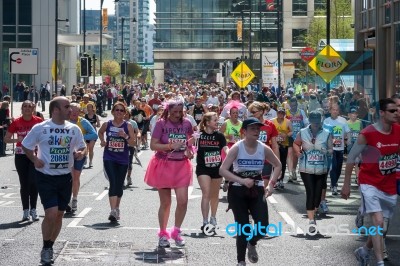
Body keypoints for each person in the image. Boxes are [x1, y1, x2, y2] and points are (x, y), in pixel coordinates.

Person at [21, 97, 86, 265]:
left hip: (65, 177)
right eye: (66, 107)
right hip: (45, 176)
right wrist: (34, 159)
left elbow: (83, 146)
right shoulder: (41, 128)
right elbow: (26, 145)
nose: (70, 110)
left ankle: (50, 245)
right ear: (55, 110)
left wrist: (81, 152)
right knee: (51, 212)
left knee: (59, 215)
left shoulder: (73, 129)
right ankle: (46, 247)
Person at [342, 98, 399, 266]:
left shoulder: (398, 131)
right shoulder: (367, 134)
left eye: (397, 110)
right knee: (379, 221)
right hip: (369, 183)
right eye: (392, 111)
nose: (396, 113)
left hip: (388, 185)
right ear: (382, 113)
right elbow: (351, 158)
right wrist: (346, 185)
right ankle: (380, 262)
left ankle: (364, 251)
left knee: (381, 228)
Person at [219, 118, 282, 266]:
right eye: (253, 129)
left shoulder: (264, 148)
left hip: (257, 189)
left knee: (263, 226)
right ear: (244, 131)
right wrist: (241, 181)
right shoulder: (237, 148)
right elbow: (222, 169)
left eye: (258, 129)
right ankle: (240, 261)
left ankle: (252, 243)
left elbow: (278, 165)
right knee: (243, 226)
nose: (256, 131)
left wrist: (271, 184)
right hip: (237, 191)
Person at [144, 99, 194, 248]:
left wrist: (189, 151)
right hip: (164, 165)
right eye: (174, 112)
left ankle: (176, 231)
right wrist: (170, 146)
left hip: (181, 166)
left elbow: (190, 144)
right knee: (166, 203)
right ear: (168, 111)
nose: (178, 115)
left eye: (180, 112)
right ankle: (163, 233)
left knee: (183, 201)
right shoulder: (161, 123)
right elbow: (153, 145)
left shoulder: (187, 124)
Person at [293, 111, 332, 233]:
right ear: (310, 121)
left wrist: (326, 151)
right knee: (310, 192)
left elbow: (331, 150)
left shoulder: (327, 133)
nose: (315, 124)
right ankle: (311, 220)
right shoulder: (303, 132)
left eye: (317, 121)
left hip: (321, 168)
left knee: (317, 194)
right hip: (306, 168)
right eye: (313, 121)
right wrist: (298, 152)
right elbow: (296, 143)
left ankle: (315, 210)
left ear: (320, 121)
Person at [4, 100, 43, 221]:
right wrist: (17, 140)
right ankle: (25, 210)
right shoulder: (16, 122)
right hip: (21, 155)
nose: (27, 109)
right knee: (24, 183)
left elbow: (45, 136)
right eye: (25, 106)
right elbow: (6, 139)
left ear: (33, 109)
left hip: (34, 155)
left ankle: (34, 209)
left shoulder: (38, 121)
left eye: (29, 107)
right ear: (22, 109)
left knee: (33, 181)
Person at [98, 102, 136, 221]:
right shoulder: (107, 124)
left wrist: (125, 136)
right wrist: (102, 141)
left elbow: (133, 143)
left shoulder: (128, 125)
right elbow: (100, 132)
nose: (119, 112)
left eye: (121, 110)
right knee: (113, 182)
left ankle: (117, 208)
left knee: (119, 185)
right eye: (117, 110)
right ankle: (113, 210)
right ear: (113, 112)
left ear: (125, 113)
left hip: (123, 159)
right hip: (109, 157)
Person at [194, 112, 229, 233]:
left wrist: (231, 155)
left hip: (216, 168)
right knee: (206, 194)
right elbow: (189, 144)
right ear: (208, 123)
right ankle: (205, 222)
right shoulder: (200, 135)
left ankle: (213, 218)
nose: (217, 123)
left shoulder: (219, 136)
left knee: (214, 195)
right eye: (215, 120)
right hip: (203, 168)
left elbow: (225, 148)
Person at [66, 103, 98, 213]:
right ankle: (67, 199)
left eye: (77, 111)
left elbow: (94, 135)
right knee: (68, 177)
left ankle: (74, 199)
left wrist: (81, 137)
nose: (74, 113)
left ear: (80, 112)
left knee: (75, 176)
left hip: (80, 153)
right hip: (66, 153)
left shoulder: (83, 122)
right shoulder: (64, 121)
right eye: (72, 110)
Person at [248, 102, 279, 188]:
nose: (253, 114)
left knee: (263, 187)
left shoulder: (270, 125)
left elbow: (275, 145)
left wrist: (277, 163)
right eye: (252, 112)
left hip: (266, 159)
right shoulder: (248, 124)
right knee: (251, 186)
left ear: (261, 111)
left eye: (254, 112)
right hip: (251, 159)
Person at [285, 97, 309, 182]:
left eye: (295, 105)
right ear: (290, 105)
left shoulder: (301, 112)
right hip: (290, 136)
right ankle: (291, 172)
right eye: (292, 105)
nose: (293, 107)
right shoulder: (286, 113)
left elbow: (306, 123)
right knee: (290, 154)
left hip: (299, 136)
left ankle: (294, 170)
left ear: (297, 105)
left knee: (296, 154)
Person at [272, 107, 293, 188]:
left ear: (284, 114)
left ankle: (281, 180)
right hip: (275, 144)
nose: (280, 114)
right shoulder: (272, 121)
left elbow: (291, 131)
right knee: (275, 162)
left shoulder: (287, 122)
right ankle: (275, 179)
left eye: (282, 113)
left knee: (283, 162)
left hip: (284, 144)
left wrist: (286, 135)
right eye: (279, 113)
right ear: (277, 113)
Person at [124, 106, 139, 186]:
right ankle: (122, 178)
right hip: (121, 146)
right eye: (124, 113)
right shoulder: (119, 122)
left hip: (130, 145)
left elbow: (137, 131)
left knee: (129, 163)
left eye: (127, 114)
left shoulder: (132, 123)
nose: (125, 115)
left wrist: (138, 135)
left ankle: (128, 177)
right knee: (122, 162)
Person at [84, 102, 101, 167]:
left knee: (91, 148)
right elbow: (83, 125)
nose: (88, 109)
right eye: (87, 107)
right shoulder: (85, 116)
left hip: (93, 134)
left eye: (90, 107)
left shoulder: (95, 116)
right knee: (86, 148)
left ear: (92, 108)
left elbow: (99, 125)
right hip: (86, 134)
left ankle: (90, 161)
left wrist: (95, 125)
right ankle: (85, 158)